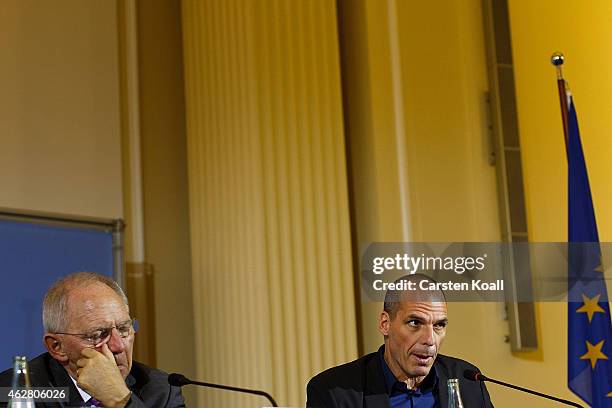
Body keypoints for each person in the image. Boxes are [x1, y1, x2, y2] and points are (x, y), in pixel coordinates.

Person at [0, 272, 185, 407]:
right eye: (97, 335)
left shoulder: (161, 390)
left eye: (123, 329)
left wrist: (122, 402)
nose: (118, 345)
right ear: (57, 347)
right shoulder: (17, 390)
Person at [307, 274, 494, 407]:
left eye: (439, 325)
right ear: (385, 324)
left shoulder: (468, 382)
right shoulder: (334, 392)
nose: (430, 340)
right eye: (414, 323)